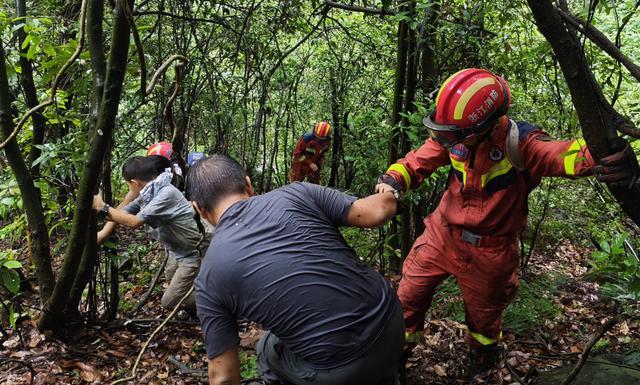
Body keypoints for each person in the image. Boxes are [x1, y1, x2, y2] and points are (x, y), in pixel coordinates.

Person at [374, 68, 636, 379]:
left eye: (454, 134)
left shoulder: (522, 145)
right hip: (441, 234)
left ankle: (482, 362)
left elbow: (564, 155)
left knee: (485, 321)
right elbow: (417, 160)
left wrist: (610, 155)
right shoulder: (455, 136)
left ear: (484, 126)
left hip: (491, 251)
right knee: (408, 297)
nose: (445, 139)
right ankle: (393, 360)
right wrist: (391, 182)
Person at [188, 154, 404, 385]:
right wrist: (390, 191)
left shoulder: (209, 275)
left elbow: (223, 378)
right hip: (393, 324)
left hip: (341, 369)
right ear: (248, 185)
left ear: (199, 209)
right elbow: (377, 211)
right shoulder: (298, 193)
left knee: (268, 347)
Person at [93, 155, 208, 313]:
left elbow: (134, 222)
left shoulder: (165, 194)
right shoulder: (151, 192)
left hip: (195, 252)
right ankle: (200, 305)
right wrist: (102, 228)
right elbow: (122, 213)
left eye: (129, 186)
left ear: (134, 183)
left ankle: (216, 302)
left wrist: (102, 207)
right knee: (172, 279)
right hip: (179, 251)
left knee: (169, 301)